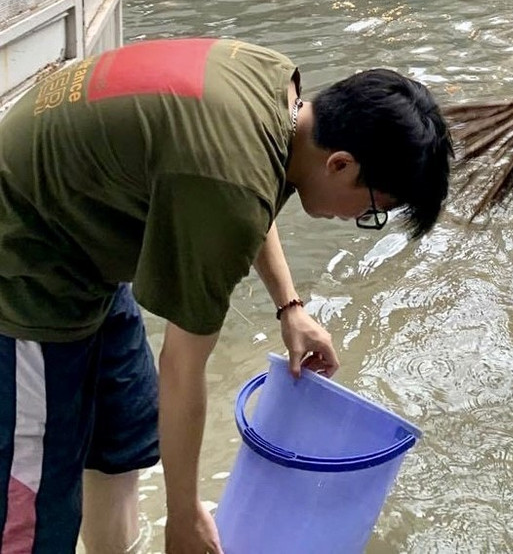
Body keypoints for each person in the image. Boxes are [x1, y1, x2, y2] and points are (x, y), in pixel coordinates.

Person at [0, 38, 452, 554]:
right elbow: (183, 368)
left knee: (124, 439)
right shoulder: (230, 185)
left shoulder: (277, 89)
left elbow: (243, 192)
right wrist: (184, 515)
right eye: (372, 208)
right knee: (36, 495)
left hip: (82, 238)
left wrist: (290, 307)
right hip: (26, 265)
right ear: (341, 164)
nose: (357, 221)